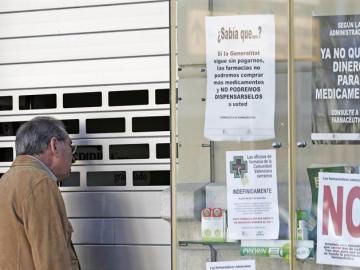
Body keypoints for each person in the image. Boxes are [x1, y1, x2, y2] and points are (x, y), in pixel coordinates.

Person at [0, 116, 81, 270]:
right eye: (71, 146)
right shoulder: (40, 183)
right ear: (54, 145)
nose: (74, 157)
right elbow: (52, 260)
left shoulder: (6, 181)